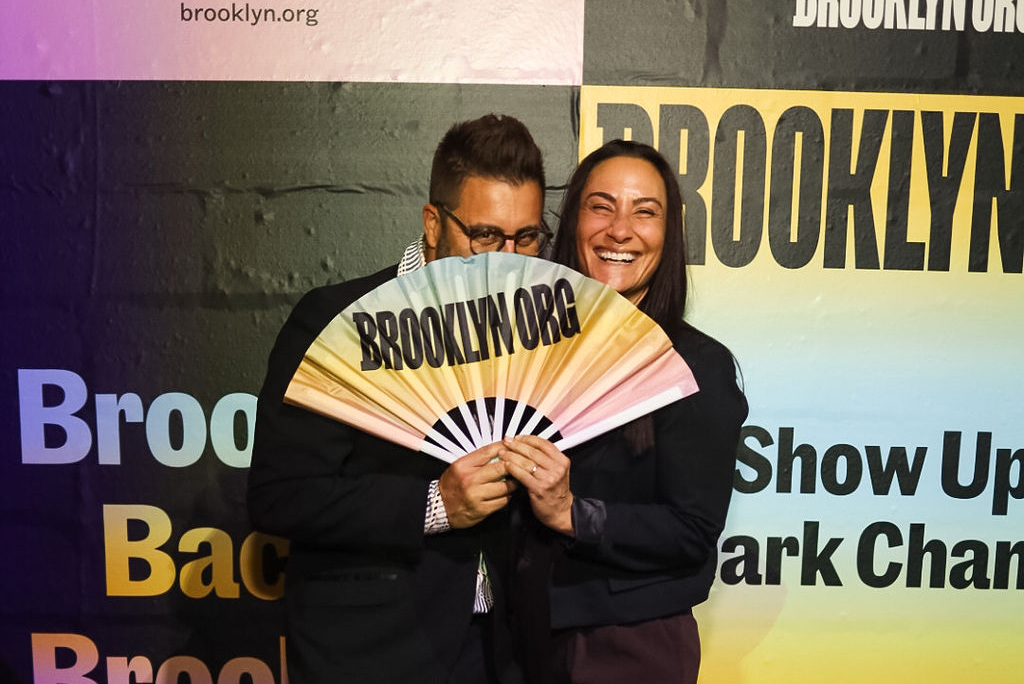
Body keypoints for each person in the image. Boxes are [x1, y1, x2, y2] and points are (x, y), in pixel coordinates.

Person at [247, 113, 551, 684]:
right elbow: (280, 495)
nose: (509, 259)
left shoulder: (542, 331)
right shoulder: (337, 322)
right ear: (433, 224)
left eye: (527, 237)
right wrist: (434, 504)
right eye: (486, 236)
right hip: (372, 650)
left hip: (503, 650)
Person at [498, 140, 748, 684]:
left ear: (668, 234)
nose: (619, 230)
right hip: (516, 633)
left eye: (645, 212)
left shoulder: (697, 367)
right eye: (601, 206)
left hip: (626, 645)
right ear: (573, 222)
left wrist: (571, 512)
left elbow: (692, 530)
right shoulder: (521, 349)